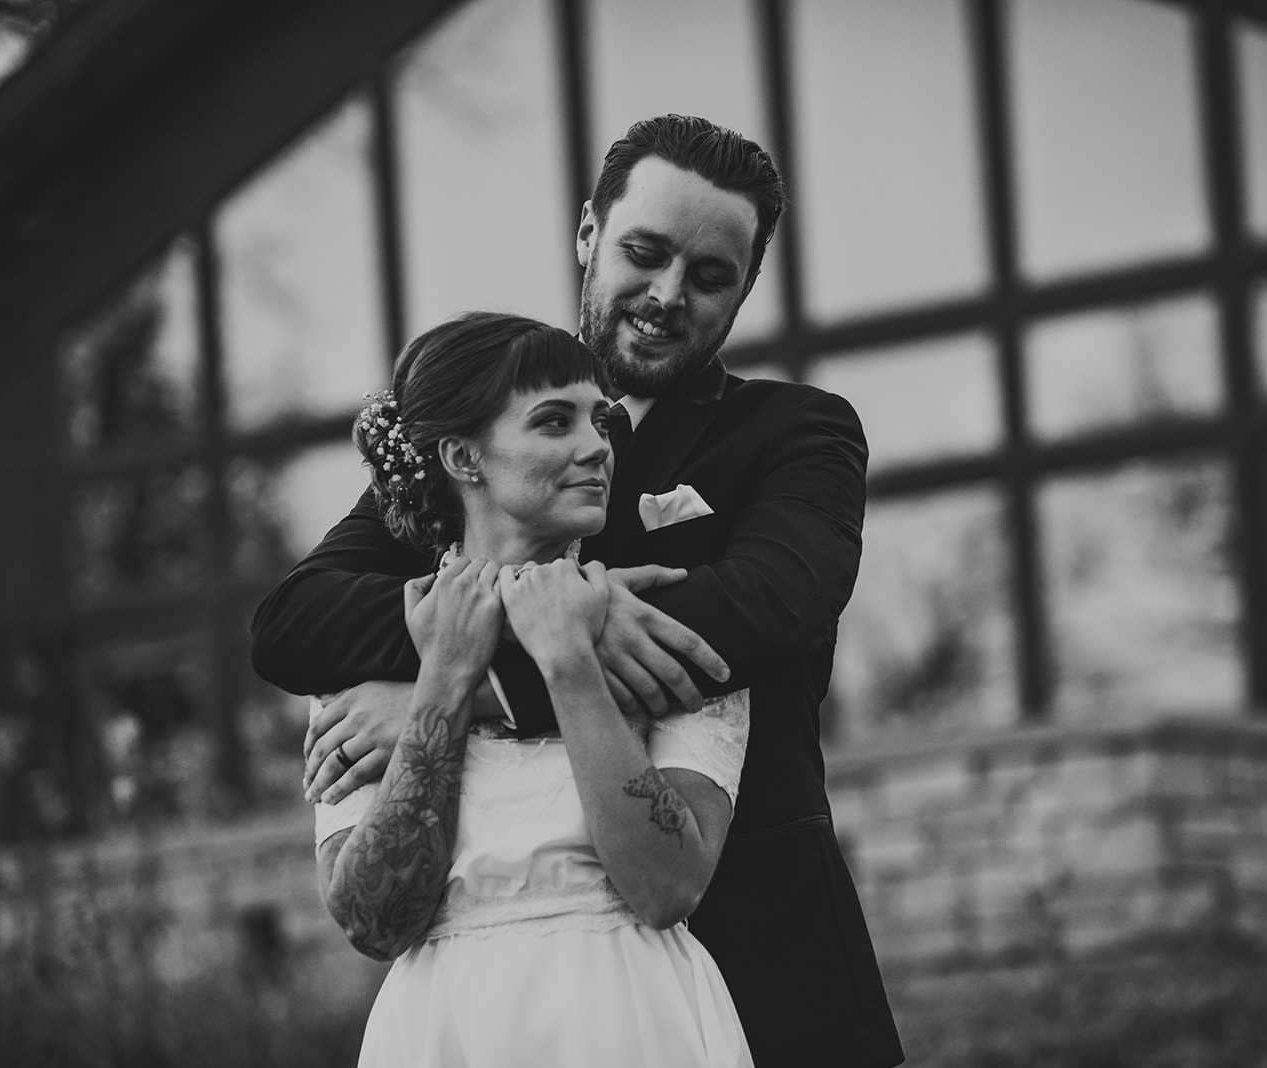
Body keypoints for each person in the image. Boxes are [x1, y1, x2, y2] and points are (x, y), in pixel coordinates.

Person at [253, 115, 904, 1068]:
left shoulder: (797, 432)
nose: (669, 295)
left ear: (745, 287)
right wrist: (474, 651)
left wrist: (468, 688)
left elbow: (768, 610)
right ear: (589, 234)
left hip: (765, 951)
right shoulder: (484, 426)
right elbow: (295, 626)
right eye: (646, 252)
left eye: (711, 274)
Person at [317, 311, 753, 1066]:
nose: (597, 448)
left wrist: (571, 666)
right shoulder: (367, 651)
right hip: (447, 1030)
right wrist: (445, 678)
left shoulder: (666, 613)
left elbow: (669, 887)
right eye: (555, 422)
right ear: (463, 456)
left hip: (634, 1018)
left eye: (600, 422)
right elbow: (375, 923)